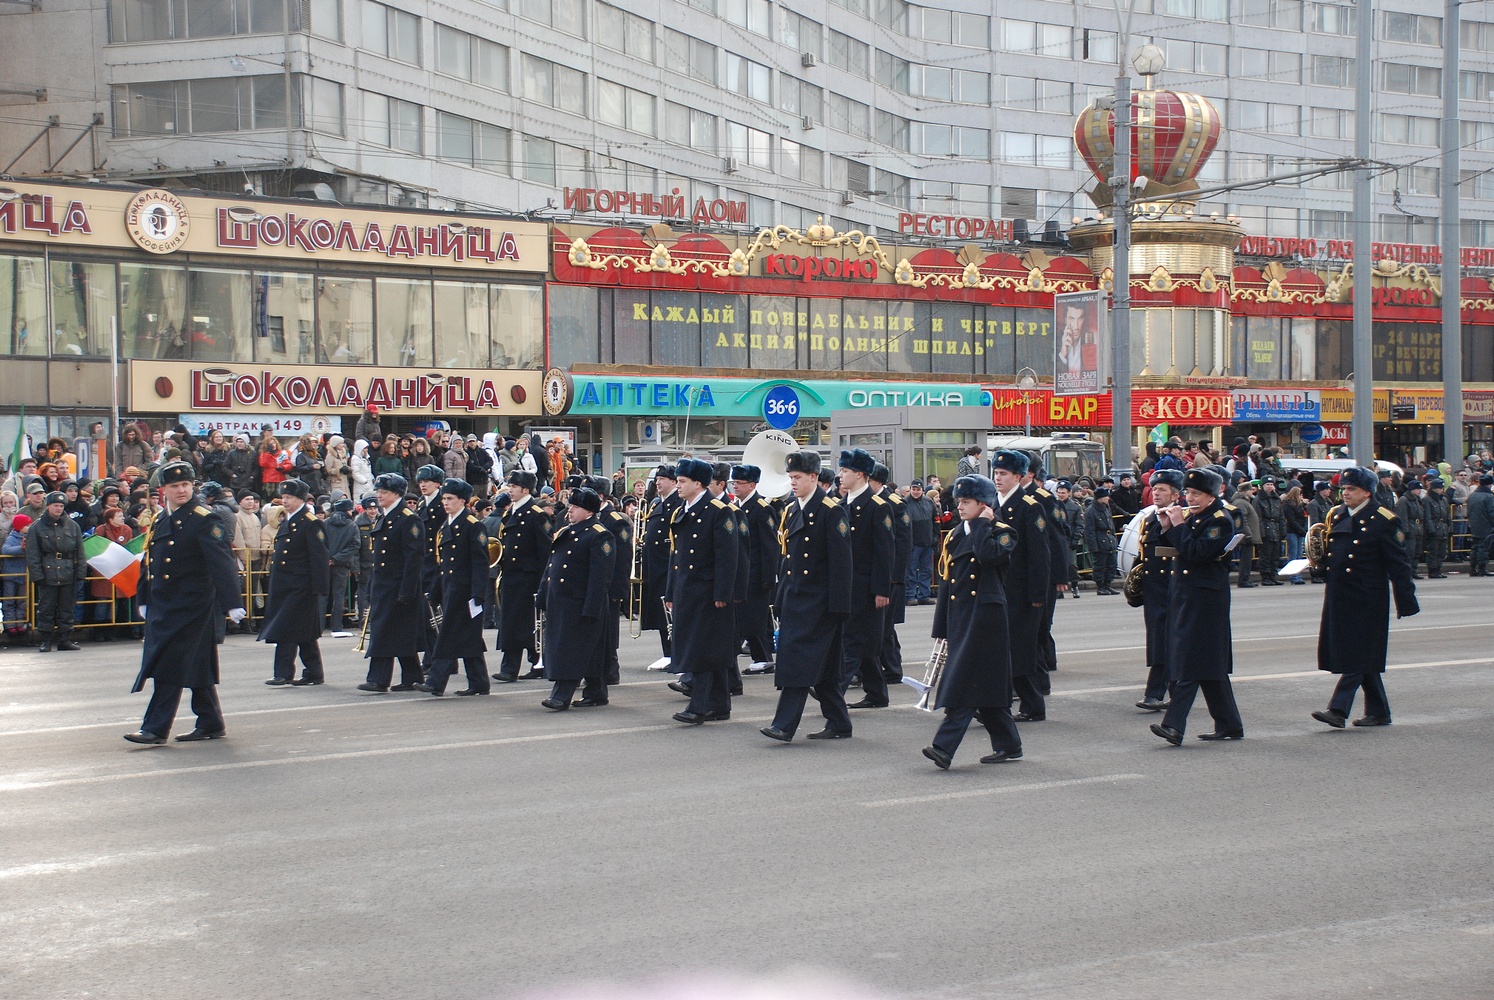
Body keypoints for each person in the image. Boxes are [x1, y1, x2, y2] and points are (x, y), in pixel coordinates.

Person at [124, 461, 246, 744]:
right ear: (163, 490)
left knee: (170, 664)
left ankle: (155, 728)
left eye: (185, 485)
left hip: (192, 606)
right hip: (164, 605)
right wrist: (143, 596)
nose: (181, 490)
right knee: (196, 665)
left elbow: (221, 561)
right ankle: (211, 722)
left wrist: (232, 602)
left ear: (193, 486)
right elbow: (149, 561)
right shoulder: (161, 519)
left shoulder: (204, 518)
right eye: (174, 486)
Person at [921, 475, 1023, 769]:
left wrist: (982, 525)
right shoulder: (954, 534)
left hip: (986, 618)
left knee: (963, 682)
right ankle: (1009, 744)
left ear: (984, 504)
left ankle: (944, 746)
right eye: (960, 501)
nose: (961, 507)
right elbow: (948, 582)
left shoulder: (1003, 532)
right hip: (961, 616)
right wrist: (941, 626)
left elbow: (990, 557)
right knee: (985, 686)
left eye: (967, 502)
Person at [1310, 466, 1419, 730]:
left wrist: (1405, 600)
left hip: (1368, 597)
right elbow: (1331, 551)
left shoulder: (1384, 519)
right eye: (1343, 489)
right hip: (1340, 595)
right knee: (1364, 654)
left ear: (1367, 492)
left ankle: (1338, 709)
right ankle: (1379, 711)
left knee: (1358, 654)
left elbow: (1399, 564)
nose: (1345, 493)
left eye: (1351, 489)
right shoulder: (1336, 514)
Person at [760, 450, 855, 743]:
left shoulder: (831, 510)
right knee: (823, 668)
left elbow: (842, 564)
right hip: (796, 598)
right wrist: (781, 596)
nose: (793, 482)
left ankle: (784, 725)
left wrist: (839, 608)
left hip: (819, 601)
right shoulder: (791, 509)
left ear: (814, 477)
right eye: (791, 477)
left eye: (798, 477)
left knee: (797, 661)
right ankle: (839, 721)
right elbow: (787, 559)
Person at [1150, 468, 1245, 745]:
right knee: (1209, 666)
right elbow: (1169, 546)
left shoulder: (1220, 520)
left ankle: (1174, 726)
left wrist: (1178, 526)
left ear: (1211, 495)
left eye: (1196, 494)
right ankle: (1229, 724)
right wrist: (1167, 526)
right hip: (1187, 595)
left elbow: (1196, 553)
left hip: (1206, 599)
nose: (1190, 498)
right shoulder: (1197, 516)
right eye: (1188, 492)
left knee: (1190, 662)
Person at [666, 458, 739, 725]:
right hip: (688, 589)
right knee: (707, 647)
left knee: (703, 649)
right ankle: (720, 705)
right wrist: (671, 592)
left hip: (709, 591)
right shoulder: (681, 510)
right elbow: (677, 556)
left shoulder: (718, 510)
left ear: (698, 483)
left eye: (682, 481)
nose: (678, 486)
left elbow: (728, 556)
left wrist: (723, 593)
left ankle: (698, 706)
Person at [536, 486, 615, 710]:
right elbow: (551, 567)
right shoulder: (566, 531)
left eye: (575, 507)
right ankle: (596, 691)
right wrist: (543, 593)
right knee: (590, 650)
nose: (569, 510)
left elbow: (600, 576)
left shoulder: (599, 535)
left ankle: (561, 695)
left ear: (589, 511)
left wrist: (592, 607)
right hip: (560, 601)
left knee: (571, 651)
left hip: (580, 602)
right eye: (570, 505)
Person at [416, 479, 491, 697]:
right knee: (468, 638)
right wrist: (437, 591)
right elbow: (444, 564)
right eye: (444, 498)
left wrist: (478, 594)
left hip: (465, 591)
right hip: (451, 588)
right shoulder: (447, 524)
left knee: (448, 635)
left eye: (450, 499)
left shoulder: (472, 524)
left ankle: (436, 682)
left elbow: (480, 562)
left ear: (462, 501)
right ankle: (479, 682)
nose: (445, 503)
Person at [992, 450, 1051, 721]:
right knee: (1003, 650)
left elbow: (1039, 554)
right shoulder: (992, 504)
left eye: (1004, 474)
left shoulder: (1030, 505)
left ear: (1018, 476)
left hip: (1021, 590)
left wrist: (1038, 594)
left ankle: (1032, 704)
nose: (998, 478)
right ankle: (1000, 705)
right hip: (997, 588)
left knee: (1020, 650)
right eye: (996, 473)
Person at [357, 474, 427, 693]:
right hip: (383, 585)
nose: (379, 496)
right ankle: (413, 677)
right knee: (398, 633)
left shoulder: (408, 518)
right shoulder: (385, 517)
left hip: (398, 586)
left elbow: (413, 558)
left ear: (397, 494)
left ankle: (378, 679)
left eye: (384, 492)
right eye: (378, 492)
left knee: (385, 633)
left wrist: (407, 590)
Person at [258, 478, 329, 686]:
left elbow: (319, 557)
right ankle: (314, 673)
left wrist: (319, 588)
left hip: (301, 586)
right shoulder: (288, 521)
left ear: (301, 499)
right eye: (284, 497)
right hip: (285, 586)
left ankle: (283, 673)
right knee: (304, 633)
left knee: (286, 629)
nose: (285, 501)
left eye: (290, 498)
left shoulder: (310, 522)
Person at [491, 470, 552, 682]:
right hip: (511, 576)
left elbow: (545, 551)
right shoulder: (511, 512)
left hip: (528, 578)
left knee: (528, 625)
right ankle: (524, 664)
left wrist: (543, 582)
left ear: (526, 489)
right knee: (514, 624)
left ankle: (526, 665)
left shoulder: (536, 514)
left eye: (514, 487)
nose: (510, 491)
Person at [1134, 469, 1184, 711]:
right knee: (1158, 641)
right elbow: (1143, 554)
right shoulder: (1149, 519)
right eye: (1155, 489)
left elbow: (1182, 549)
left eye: (1162, 490)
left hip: (1172, 587)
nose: (1156, 494)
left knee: (1168, 641)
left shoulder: (1181, 518)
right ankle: (1173, 692)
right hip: (1153, 589)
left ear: (1175, 495)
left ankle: (1158, 693)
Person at [732, 464, 780, 676]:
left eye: (739, 483)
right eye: (734, 483)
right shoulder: (737, 507)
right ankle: (760, 657)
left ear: (752, 484)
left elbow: (770, 546)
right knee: (745, 617)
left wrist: (768, 577)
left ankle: (763, 658)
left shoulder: (762, 508)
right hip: (742, 572)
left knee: (754, 618)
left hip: (756, 572)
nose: (735, 487)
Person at [24, 490, 87, 652]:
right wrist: (37, 575)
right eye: (55, 505)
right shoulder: (37, 527)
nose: (59, 509)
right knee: (46, 608)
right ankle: (45, 640)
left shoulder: (73, 526)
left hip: (68, 571)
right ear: (48, 506)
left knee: (67, 608)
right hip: (47, 571)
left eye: (61, 506)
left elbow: (80, 552)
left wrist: (80, 573)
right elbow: (32, 554)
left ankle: (65, 639)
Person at [589, 475, 634, 691]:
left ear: (600, 496)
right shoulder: (586, 517)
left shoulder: (616, 520)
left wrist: (619, 589)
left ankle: (610, 670)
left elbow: (624, 557)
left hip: (610, 585)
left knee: (608, 632)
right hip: (591, 584)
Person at [870, 463, 911, 686]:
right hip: (879, 574)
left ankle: (891, 669)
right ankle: (892, 668)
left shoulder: (895, 504)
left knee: (883, 626)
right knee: (884, 627)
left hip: (891, 577)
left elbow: (902, 543)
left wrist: (894, 576)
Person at [323, 497, 361, 637]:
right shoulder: (351, 525)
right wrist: (337, 559)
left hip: (325, 564)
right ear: (348, 510)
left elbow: (320, 542)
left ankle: (319, 626)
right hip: (342, 565)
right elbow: (355, 545)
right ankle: (337, 626)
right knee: (339, 597)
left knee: (322, 595)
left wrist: (327, 559)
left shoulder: (325, 523)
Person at [903, 480, 937, 604]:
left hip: (927, 542)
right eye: (913, 489)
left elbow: (935, 519)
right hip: (913, 543)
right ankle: (910, 595)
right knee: (911, 571)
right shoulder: (905, 503)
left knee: (927, 571)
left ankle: (924, 595)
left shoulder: (929, 502)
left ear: (922, 490)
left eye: (918, 489)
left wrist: (935, 537)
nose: (915, 492)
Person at [1084, 487, 1119, 594]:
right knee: (1099, 565)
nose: (1108, 498)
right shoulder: (1091, 511)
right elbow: (1089, 531)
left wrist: (1114, 540)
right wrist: (1093, 547)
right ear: (1100, 498)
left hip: (1109, 541)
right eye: (1106, 496)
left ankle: (1107, 585)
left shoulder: (1105, 508)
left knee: (1112, 565)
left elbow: (1111, 525)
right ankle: (1100, 587)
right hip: (1100, 542)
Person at [1253, 477, 1286, 585]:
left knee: (1275, 555)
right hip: (1266, 528)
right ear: (1262, 486)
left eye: (1271, 484)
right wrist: (1262, 533)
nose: (1270, 486)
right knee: (1266, 555)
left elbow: (1281, 516)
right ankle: (1265, 577)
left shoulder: (1276, 499)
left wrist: (1282, 530)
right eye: (1267, 484)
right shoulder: (1258, 499)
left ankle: (1273, 576)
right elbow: (1258, 518)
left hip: (1276, 528)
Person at [1395, 479, 1426, 579]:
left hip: (1417, 527)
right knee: (1409, 551)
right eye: (1417, 489)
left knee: (1417, 551)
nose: (1419, 490)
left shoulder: (1417, 499)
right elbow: (1402, 516)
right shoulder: (1404, 500)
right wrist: (1405, 530)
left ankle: (1413, 570)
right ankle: (1406, 571)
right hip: (1410, 528)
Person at [1233, 480, 1262, 587]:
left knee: (1247, 559)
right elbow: (1242, 520)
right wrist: (1248, 534)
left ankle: (1246, 578)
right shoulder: (1241, 502)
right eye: (1250, 490)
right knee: (1245, 560)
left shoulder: (1243, 502)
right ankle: (1243, 580)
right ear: (1245, 491)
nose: (1252, 492)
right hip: (1246, 537)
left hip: (1246, 536)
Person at [1422, 476, 1452, 578]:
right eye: (1439, 488)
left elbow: (1448, 515)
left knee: (1442, 551)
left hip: (1442, 527)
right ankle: (1433, 570)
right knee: (1433, 551)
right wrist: (1431, 529)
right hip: (1435, 527)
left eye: (1442, 488)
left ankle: (1438, 569)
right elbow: (1427, 516)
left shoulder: (1443, 500)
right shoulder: (1427, 499)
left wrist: (1450, 527)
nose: (1441, 490)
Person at [1468, 474, 1494, 576]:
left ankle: (1472, 569)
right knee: (1484, 548)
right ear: (1489, 484)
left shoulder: (1473, 495)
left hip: (1474, 525)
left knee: (1475, 547)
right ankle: (1482, 569)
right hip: (1486, 525)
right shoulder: (1488, 497)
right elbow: (1492, 512)